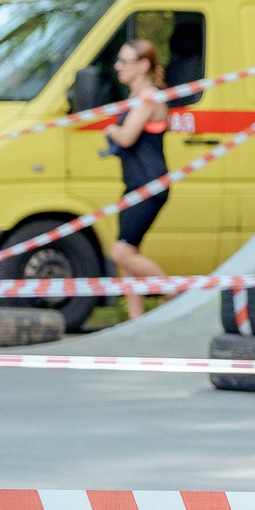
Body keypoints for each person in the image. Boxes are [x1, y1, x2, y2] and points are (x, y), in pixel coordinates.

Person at [100, 37, 170, 321]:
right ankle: (136, 322)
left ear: (143, 66)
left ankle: (180, 298)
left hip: (148, 186)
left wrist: (110, 130)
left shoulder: (148, 97)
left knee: (120, 254)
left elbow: (127, 137)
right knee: (128, 263)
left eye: (123, 61)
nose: (117, 67)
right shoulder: (137, 97)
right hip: (134, 185)